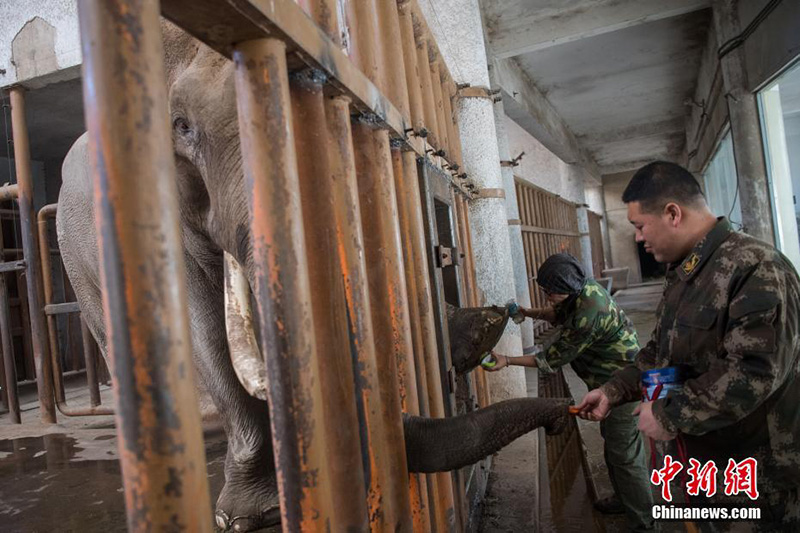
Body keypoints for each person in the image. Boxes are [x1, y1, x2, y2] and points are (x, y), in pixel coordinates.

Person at [577, 161, 800, 530]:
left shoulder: (756, 268)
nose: (638, 239)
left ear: (672, 213)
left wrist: (668, 414)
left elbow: (755, 372)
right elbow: (661, 353)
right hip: (703, 470)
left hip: (754, 482)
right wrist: (613, 390)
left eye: (639, 226)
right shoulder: (686, 271)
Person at [487, 252, 656, 532]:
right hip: (607, 383)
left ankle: (645, 523)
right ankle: (624, 499)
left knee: (625, 454)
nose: (547, 296)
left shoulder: (589, 313)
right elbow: (557, 313)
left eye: (549, 291)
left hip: (625, 386)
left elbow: (549, 359)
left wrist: (507, 360)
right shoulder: (581, 289)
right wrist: (528, 313)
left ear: (563, 288)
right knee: (615, 448)